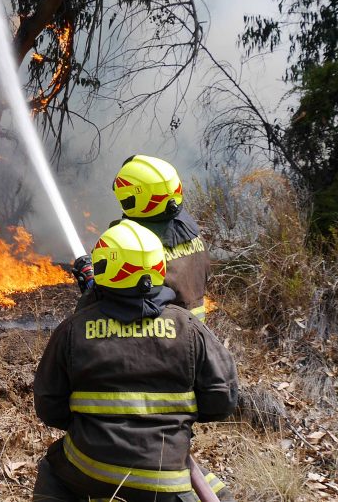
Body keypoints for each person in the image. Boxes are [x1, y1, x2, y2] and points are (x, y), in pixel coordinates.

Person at [33, 219, 238, 502]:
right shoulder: (189, 328)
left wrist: (94, 426)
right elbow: (222, 400)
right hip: (167, 479)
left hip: (88, 470)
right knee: (217, 492)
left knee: (51, 469)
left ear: (104, 269)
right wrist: (173, 423)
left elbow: (48, 406)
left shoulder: (73, 330)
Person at [73, 155, 212, 322]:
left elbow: (121, 306)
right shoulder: (195, 237)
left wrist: (92, 284)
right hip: (192, 335)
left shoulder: (142, 250)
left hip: (158, 338)